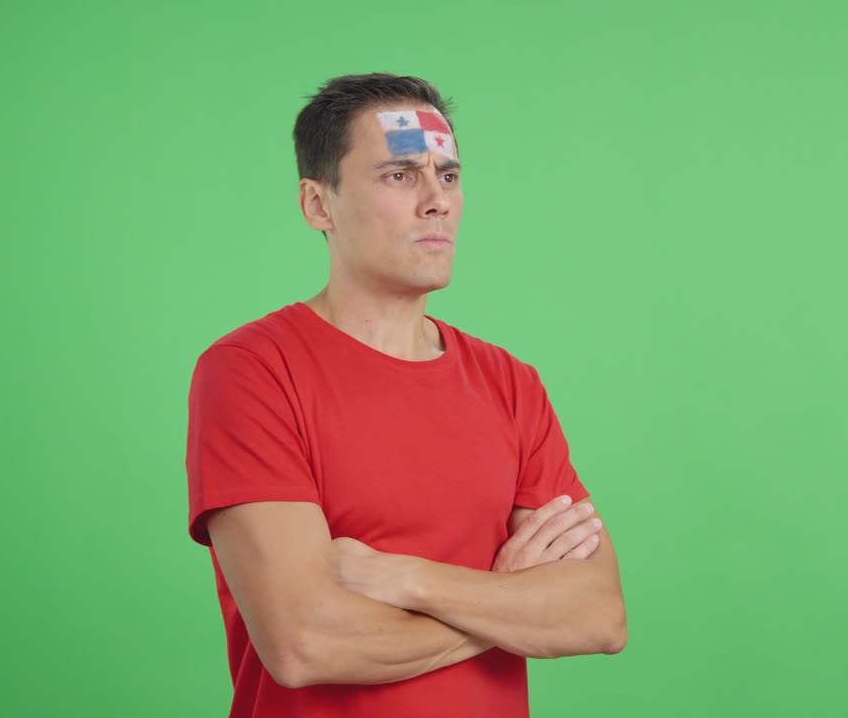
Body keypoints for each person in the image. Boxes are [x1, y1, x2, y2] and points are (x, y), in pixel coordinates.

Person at [184, 72, 626, 718]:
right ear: (317, 205)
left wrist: (408, 579)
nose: (436, 201)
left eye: (447, 175)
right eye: (399, 175)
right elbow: (304, 641)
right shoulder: (251, 372)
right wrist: (507, 602)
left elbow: (598, 613)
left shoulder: (510, 384)